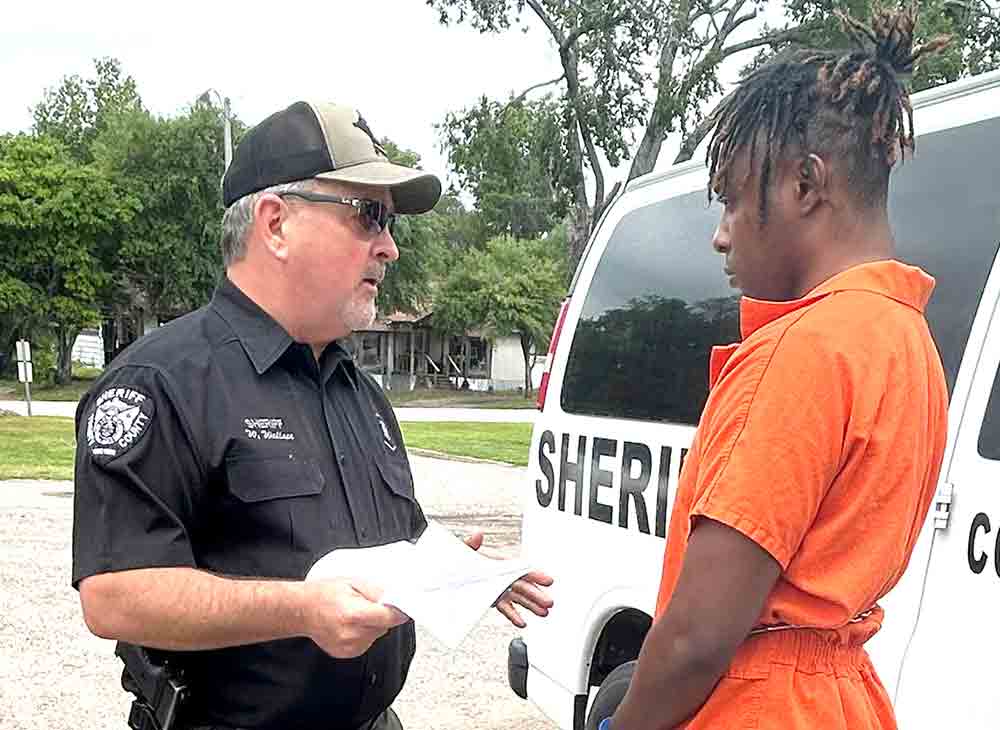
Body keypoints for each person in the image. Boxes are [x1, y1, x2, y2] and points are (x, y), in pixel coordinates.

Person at [71, 100, 554, 730]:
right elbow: (115, 595)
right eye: (370, 216)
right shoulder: (162, 382)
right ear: (275, 224)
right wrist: (301, 610)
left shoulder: (358, 392)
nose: (390, 248)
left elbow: (391, 539)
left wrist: (457, 572)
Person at [604, 7, 949, 730]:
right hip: (842, 701)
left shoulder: (803, 350)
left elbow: (699, 637)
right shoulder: (906, 339)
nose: (721, 234)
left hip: (757, 705)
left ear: (804, 185)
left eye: (731, 198)